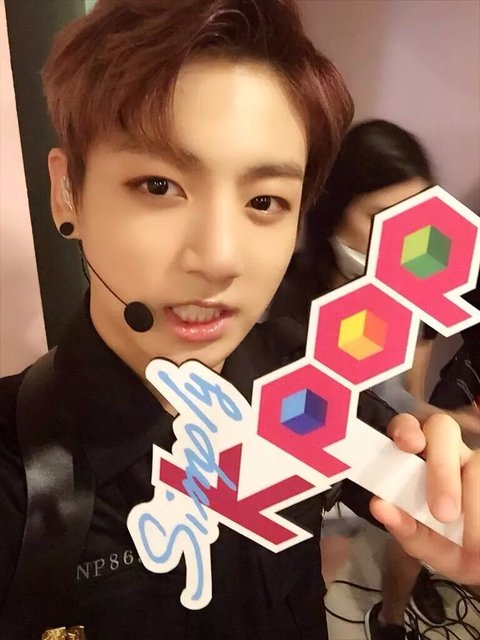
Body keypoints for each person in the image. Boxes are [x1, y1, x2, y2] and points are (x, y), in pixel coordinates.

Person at [0, 3, 479, 640]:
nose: (220, 258)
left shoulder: (300, 375)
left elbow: (416, 482)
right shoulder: (19, 478)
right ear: (68, 192)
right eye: (159, 185)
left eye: (264, 200)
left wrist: (453, 506)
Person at [271, 119, 480, 639]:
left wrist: (447, 426)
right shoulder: (284, 299)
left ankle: (390, 617)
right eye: (381, 216)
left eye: (416, 213)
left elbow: (405, 395)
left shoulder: (418, 287)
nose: (403, 236)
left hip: (385, 436)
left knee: (419, 521)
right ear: (332, 211)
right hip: (306, 457)